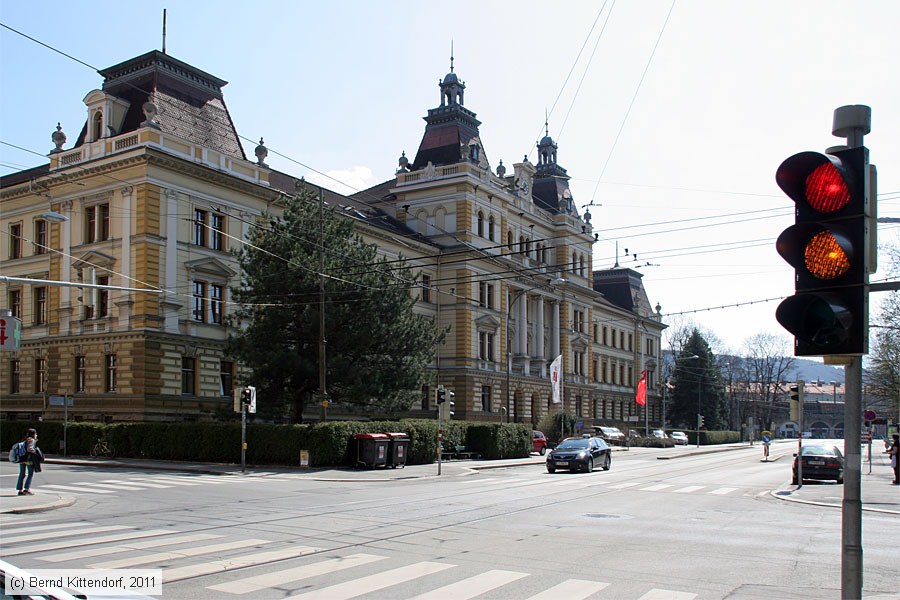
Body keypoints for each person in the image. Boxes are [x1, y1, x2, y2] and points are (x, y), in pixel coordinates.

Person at [15, 428, 43, 496]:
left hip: (22, 459)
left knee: (22, 474)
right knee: (30, 474)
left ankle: (20, 490)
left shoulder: (24, 440)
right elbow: (30, 449)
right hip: (29, 460)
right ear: (33, 434)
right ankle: (27, 489)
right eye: (36, 434)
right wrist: (36, 452)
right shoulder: (31, 440)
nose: (36, 435)